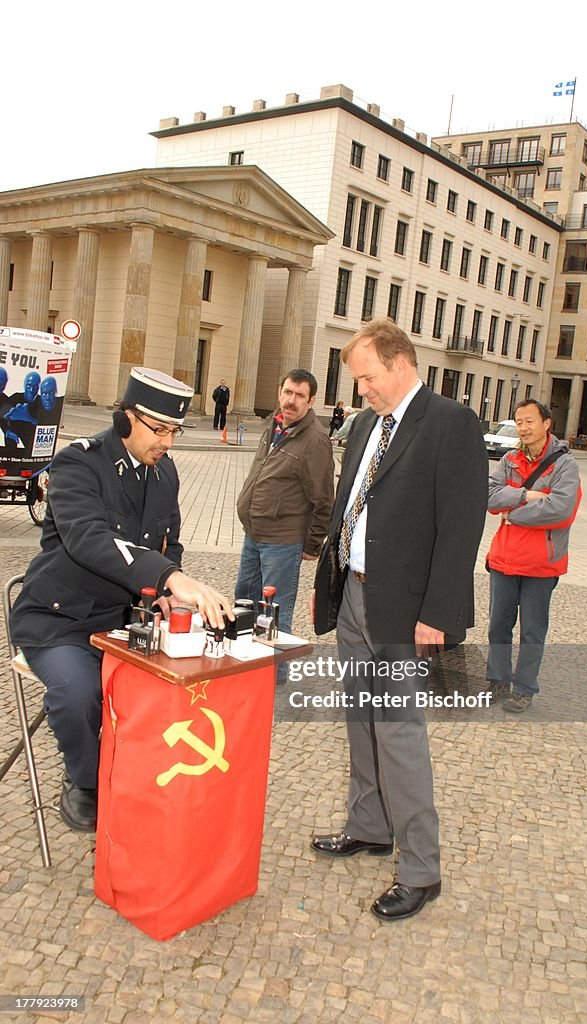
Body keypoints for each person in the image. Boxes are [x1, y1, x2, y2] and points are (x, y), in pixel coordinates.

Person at [310, 319, 488, 922]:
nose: (361, 391)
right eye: (357, 381)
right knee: (359, 718)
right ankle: (369, 825)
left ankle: (420, 867)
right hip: (355, 599)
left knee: (399, 731)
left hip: (406, 612)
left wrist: (437, 614)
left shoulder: (450, 424)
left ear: (400, 362)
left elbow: (460, 527)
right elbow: (353, 504)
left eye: (367, 378)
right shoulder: (364, 425)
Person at [10, 367, 233, 833]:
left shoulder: (162, 469)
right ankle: (86, 783)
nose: (168, 442)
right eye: (160, 430)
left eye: (174, 431)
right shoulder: (78, 464)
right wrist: (170, 577)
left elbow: (167, 540)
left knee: (169, 689)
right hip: (60, 620)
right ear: (127, 419)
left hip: (121, 618)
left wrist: (162, 596)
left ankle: (141, 781)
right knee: (78, 693)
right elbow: (88, 537)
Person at [485, 399, 582, 714]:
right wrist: (525, 495)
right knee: (498, 625)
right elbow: (488, 497)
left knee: (532, 629)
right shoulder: (510, 459)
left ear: (546, 423)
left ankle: (524, 688)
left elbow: (562, 509)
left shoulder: (564, 464)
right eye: (519, 421)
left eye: (529, 421)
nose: (524, 428)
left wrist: (514, 513)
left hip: (541, 563)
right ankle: (497, 679)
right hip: (504, 558)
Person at [235, 369, 334, 635]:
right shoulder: (275, 425)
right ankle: (245, 673)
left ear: (311, 401)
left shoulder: (315, 440)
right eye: (288, 392)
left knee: (273, 617)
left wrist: (313, 545)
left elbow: (323, 499)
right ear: (279, 392)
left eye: (300, 395)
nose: (291, 400)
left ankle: (275, 676)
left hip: (282, 542)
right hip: (253, 535)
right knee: (243, 610)